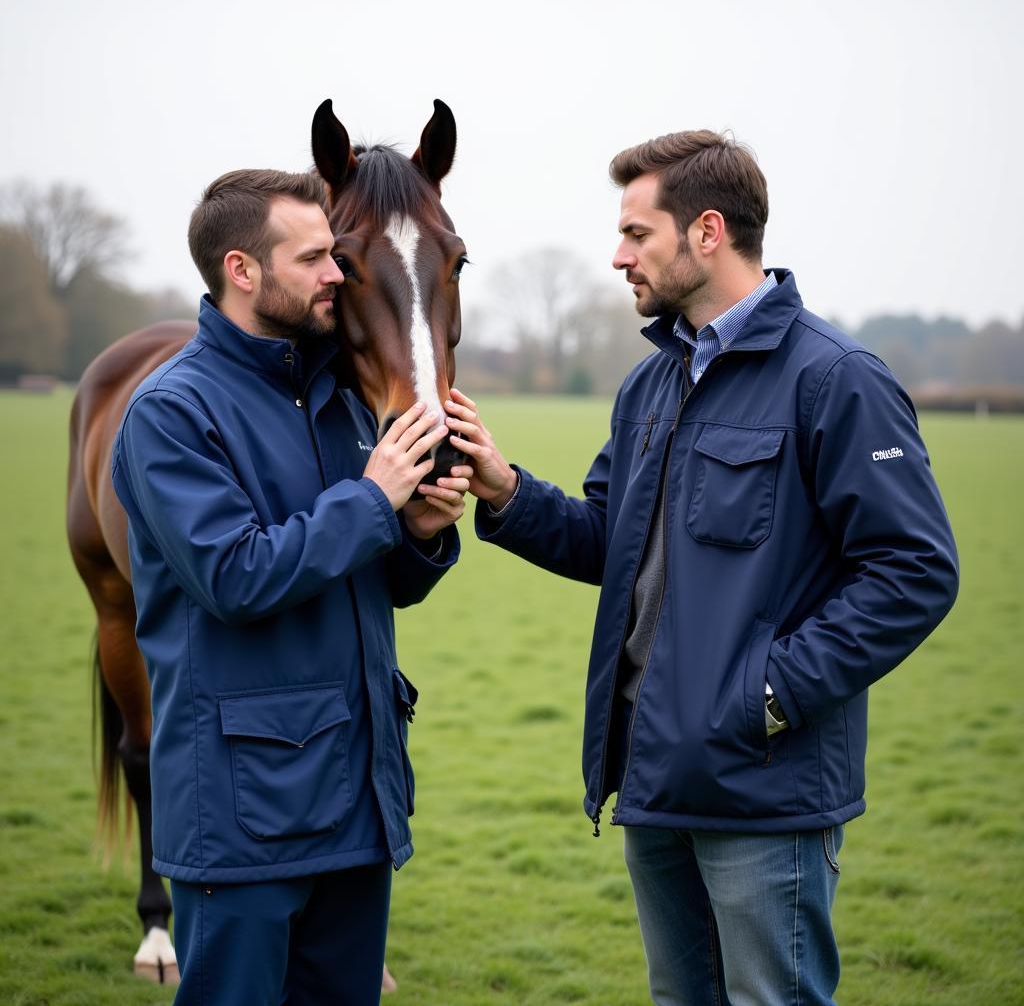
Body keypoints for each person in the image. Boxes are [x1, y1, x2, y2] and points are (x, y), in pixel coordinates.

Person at [445, 131, 959, 1005]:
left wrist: (769, 696)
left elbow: (914, 570)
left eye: (637, 234)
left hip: (763, 786)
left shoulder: (835, 380)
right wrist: (506, 492)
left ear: (708, 231)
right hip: (653, 778)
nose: (618, 257)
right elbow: (611, 543)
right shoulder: (649, 387)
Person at [112, 169, 466, 1005]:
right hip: (242, 820)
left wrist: (419, 535)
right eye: (314, 258)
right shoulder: (171, 413)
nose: (338, 275)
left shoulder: (342, 402)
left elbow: (370, 583)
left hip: (360, 804)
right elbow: (236, 577)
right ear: (242, 270)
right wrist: (375, 499)